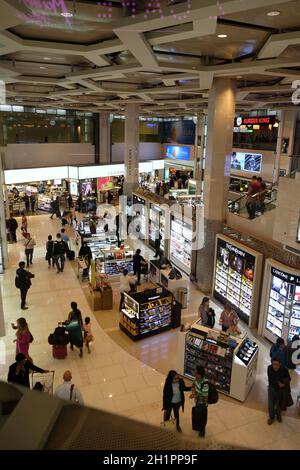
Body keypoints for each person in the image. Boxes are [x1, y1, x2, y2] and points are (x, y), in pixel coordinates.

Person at [267, 357, 291, 425]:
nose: (275, 366)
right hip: (271, 389)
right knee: (270, 404)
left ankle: (278, 416)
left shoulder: (284, 369)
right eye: (273, 364)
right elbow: (269, 377)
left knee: (279, 404)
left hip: (280, 391)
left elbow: (289, 378)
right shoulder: (269, 368)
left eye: (277, 364)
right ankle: (271, 417)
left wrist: (283, 384)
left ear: (280, 364)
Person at [190, 366, 209, 437]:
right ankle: (198, 427)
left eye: (195, 371)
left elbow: (205, 397)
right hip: (197, 402)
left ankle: (202, 430)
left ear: (199, 374)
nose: (193, 372)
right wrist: (193, 392)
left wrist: (195, 396)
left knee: (202, 417)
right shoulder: (196, 379)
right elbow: (193, 385)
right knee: (198, 416)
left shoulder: (205, 384)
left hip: (202, 404)